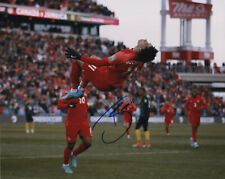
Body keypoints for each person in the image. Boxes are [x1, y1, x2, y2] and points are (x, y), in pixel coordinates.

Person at [62, 39, 158, 100]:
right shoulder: (141, 60)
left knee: (76, 60)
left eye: (147, 44)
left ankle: (75, 90)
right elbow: (136, 68)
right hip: (112, 81)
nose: (146, 41)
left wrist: (80, 57)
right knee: (93, 57)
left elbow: (101, 63)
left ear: (141, 49)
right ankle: (81, 88)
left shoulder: (124, 56)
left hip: (103, 79)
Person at [57, 87, 92, 174]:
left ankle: (74, 154)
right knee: (71, 144)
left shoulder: (86, 90)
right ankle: (65, 165)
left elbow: (83, 103)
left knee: (88, 143)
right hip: (72, 122)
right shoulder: (68, 91)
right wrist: (69, 105)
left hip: (84, 121)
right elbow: (59, 106)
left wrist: (87, 106)